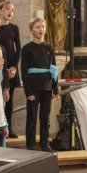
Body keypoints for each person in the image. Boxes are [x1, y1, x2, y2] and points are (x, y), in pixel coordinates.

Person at [20, 18, 58, 152]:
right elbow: (24, 71)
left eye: (43, 26)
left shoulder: (49, 47)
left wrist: (55, 88)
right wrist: (28, 91)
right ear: (31, 30)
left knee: (45, 118)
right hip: (33, 87)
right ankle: (30, 145)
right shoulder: (26, 49)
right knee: (32, 117)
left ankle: (45, 144)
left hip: (47, 86)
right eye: (37, 27)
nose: (41, 29)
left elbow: (54, 69)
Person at [0, 1, 21, 138]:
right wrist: (2, 69)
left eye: (12, 10)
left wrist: (14, 67)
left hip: (11, 68)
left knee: (9, 100)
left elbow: (18, 49)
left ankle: (8, 127)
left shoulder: (14, 28)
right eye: (7, 9)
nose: (10, 12)